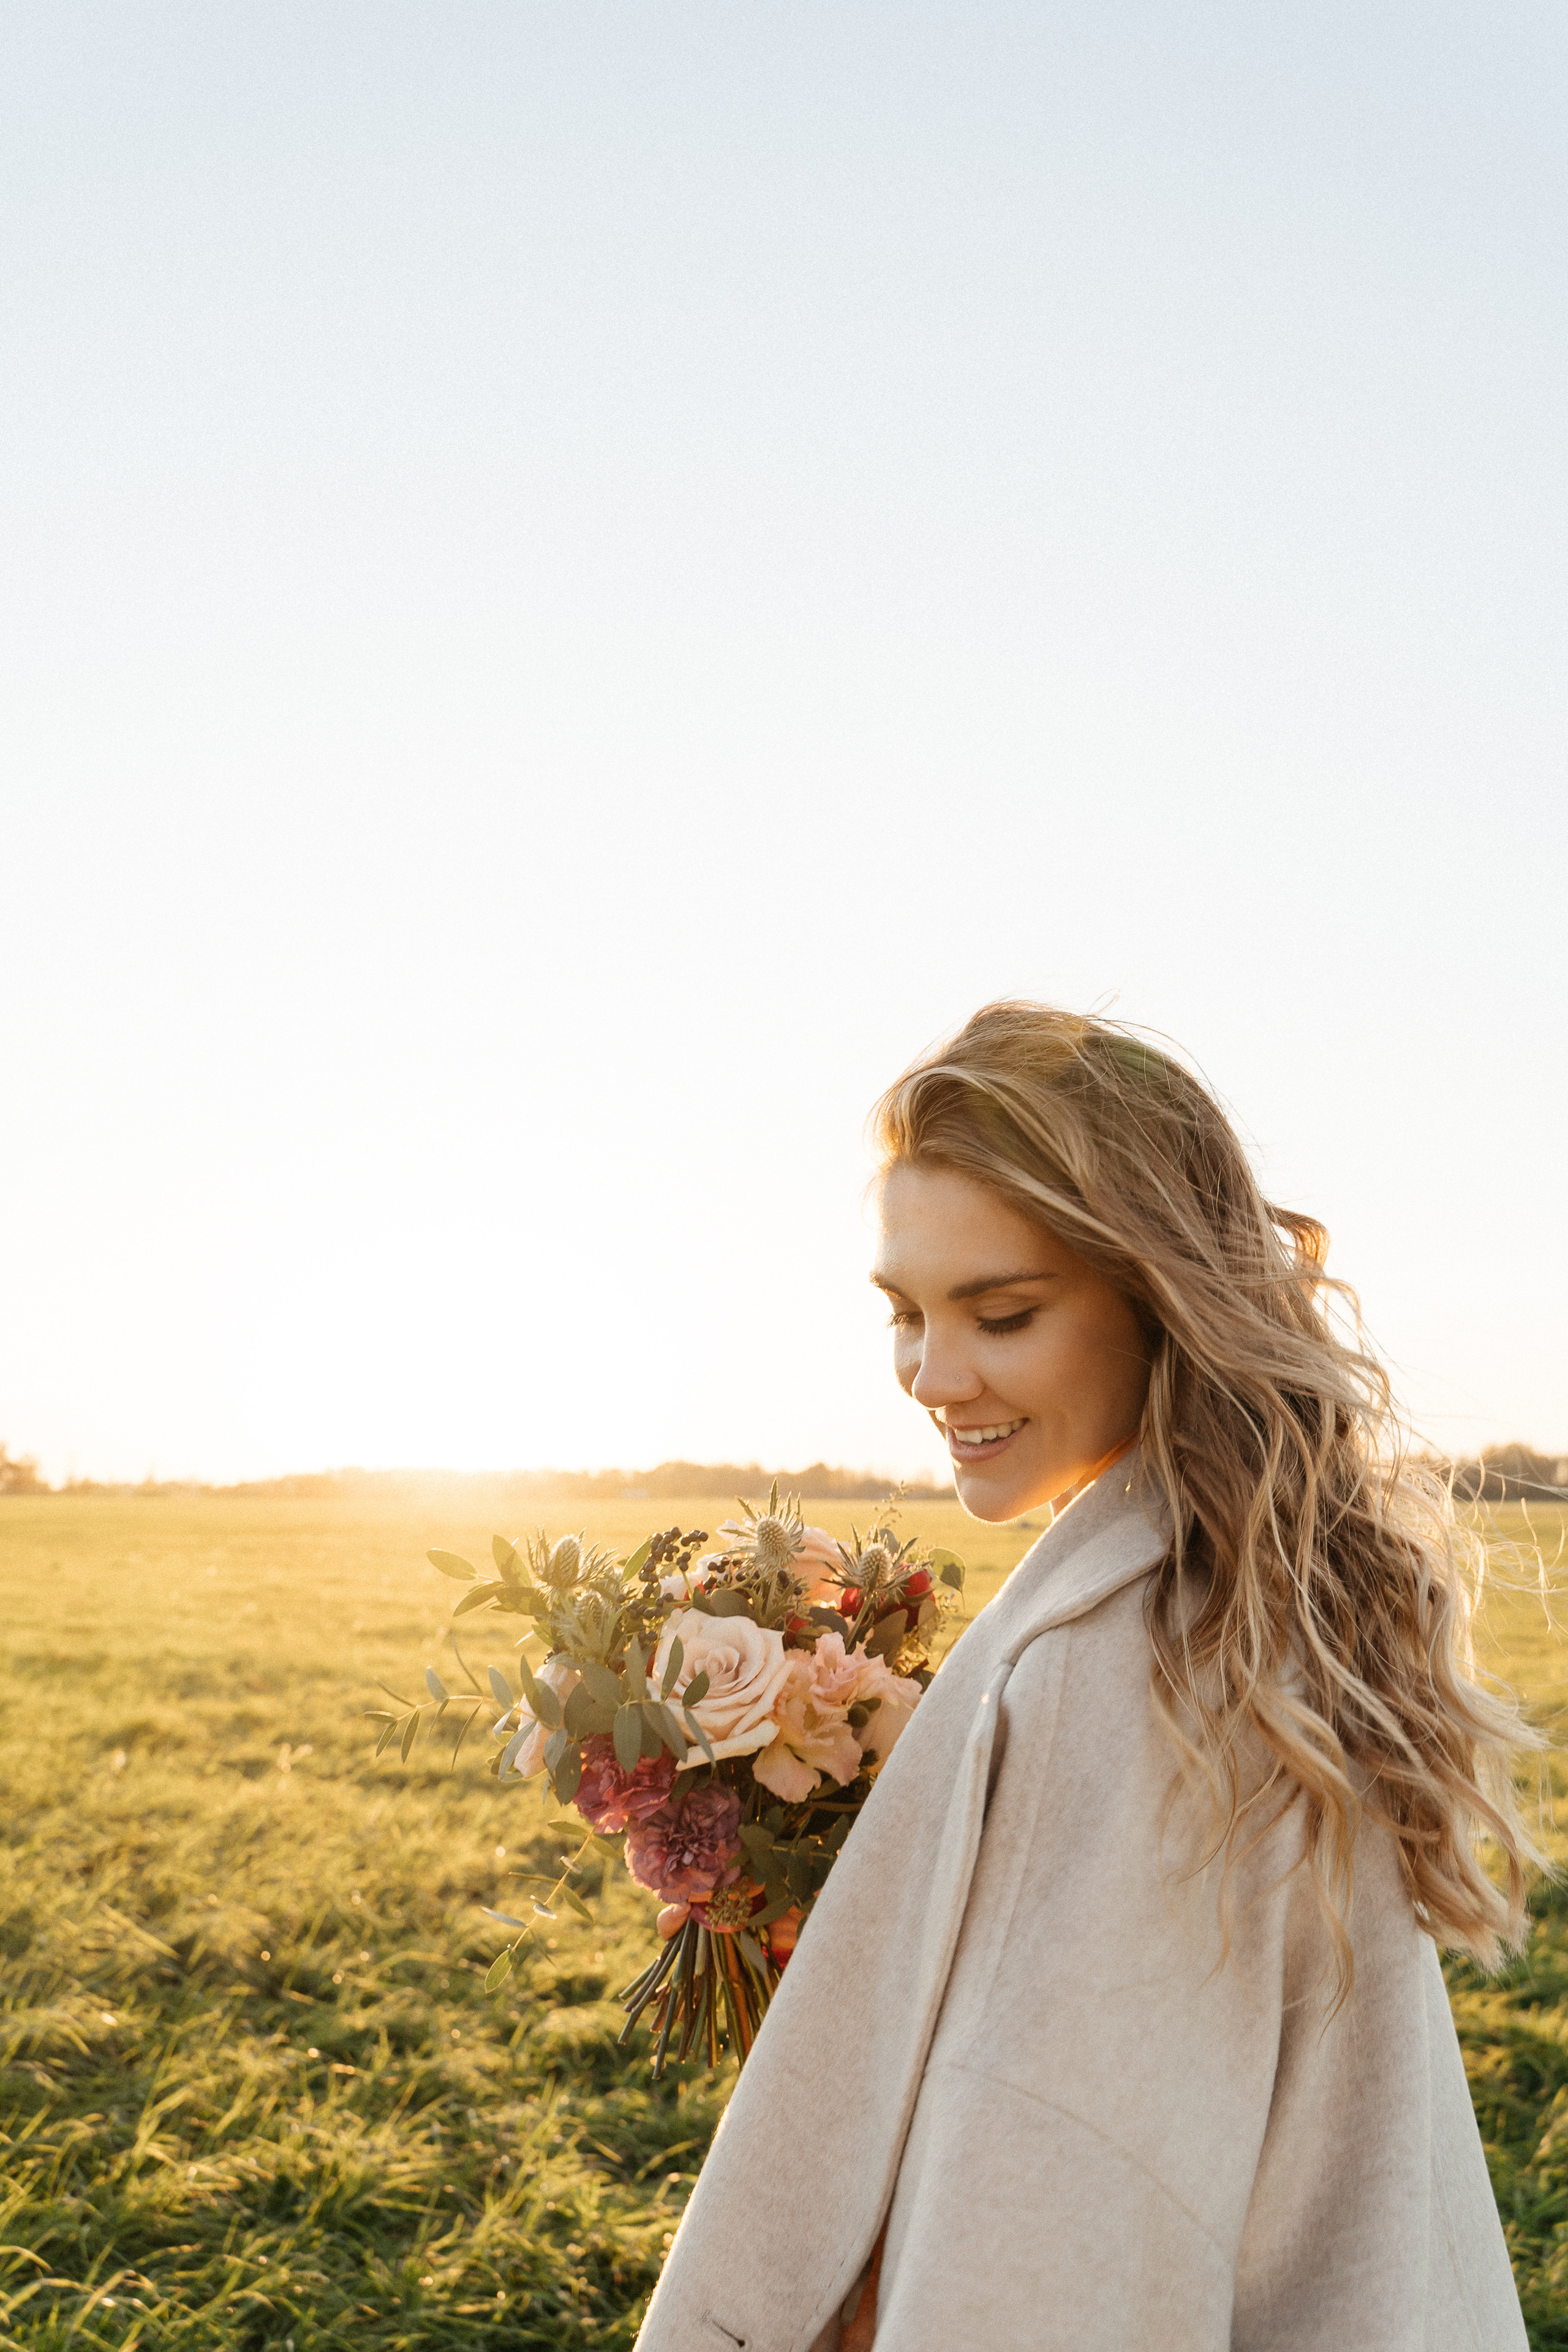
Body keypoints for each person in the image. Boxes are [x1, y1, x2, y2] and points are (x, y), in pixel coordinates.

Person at [636, 1001, 1533, 2351]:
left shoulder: (1101, 1666)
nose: (933, 1376)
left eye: (1000, 1313)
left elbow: (1055, 2210)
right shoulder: (1247, 1601)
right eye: (904, 1313)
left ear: (1158, 1295)